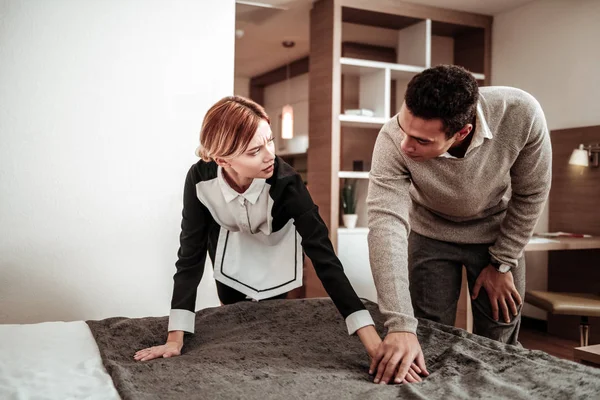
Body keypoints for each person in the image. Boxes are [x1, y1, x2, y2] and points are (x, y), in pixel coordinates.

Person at [134, 96, 395, 379]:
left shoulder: (288, 183)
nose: (270, 154)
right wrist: (175, 340)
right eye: (255, 150)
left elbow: (326, 260)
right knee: (233, 320)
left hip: (275, 243)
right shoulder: (200, 180)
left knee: (271, 319)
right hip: (229, 242)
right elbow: (190, 257)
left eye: (269, 141)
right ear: (223, 159)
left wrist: (372, 343)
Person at [366, 65, 552, 385]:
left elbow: (532, 192)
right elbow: (386, 224)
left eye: (421, 140)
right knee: (428, 339)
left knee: (499, 346)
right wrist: (399, 324)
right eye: (404, 128)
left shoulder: (521, 113)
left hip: (496, 234)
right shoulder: (392, 137)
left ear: (462, 132)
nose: (405, 146)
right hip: (429, 232)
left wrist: (503, 262)